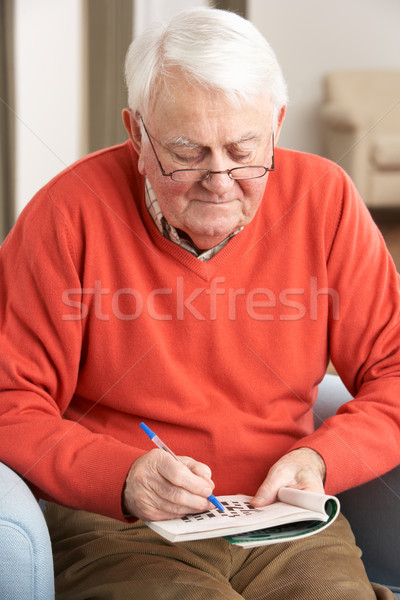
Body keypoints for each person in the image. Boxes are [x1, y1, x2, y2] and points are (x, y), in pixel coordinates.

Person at [0, 7, 399, 599]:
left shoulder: (325, 200)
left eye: (244, 149)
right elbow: (10, 401)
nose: (220, 179)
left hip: (285, 525)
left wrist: (320, 461)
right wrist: (124, 477)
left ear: (278, 125)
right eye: (187, 153)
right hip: (120, 532)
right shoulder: (67, 214)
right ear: (137, 135)